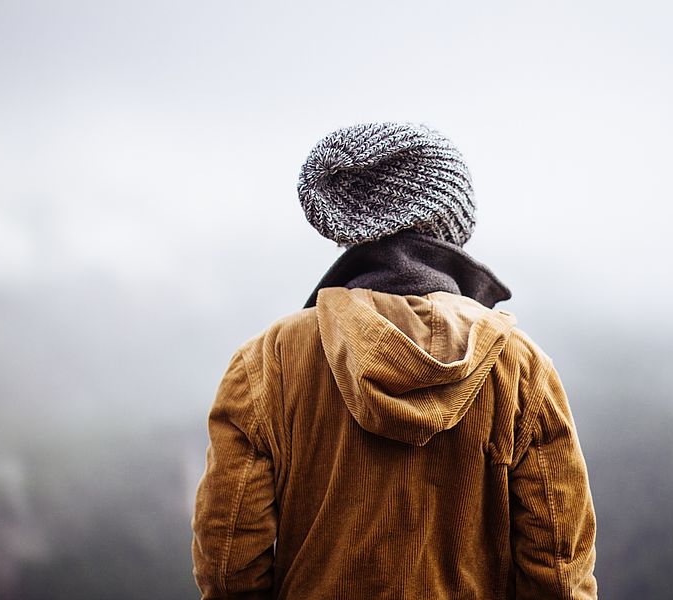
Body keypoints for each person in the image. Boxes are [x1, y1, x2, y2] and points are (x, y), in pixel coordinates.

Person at [190, 121, 598, 599]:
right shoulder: (519, 366)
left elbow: (226, 564)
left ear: (355, 232)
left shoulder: (268, 363)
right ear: (450, 226)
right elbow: (559, 572)